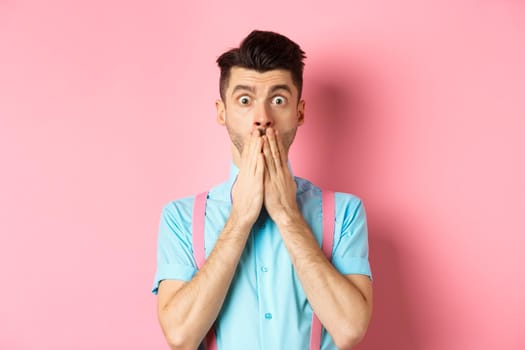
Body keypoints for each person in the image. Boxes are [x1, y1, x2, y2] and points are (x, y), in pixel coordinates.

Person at [152, 30, 373, 350]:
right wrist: (239, 218)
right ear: (221, 112)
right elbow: (180, 337)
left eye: (278, 100)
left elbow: (350, 329)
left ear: (299, 112)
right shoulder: (181, 218)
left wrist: (287, 215)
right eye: (245, 100)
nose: (262, 118)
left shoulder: (344, 212)